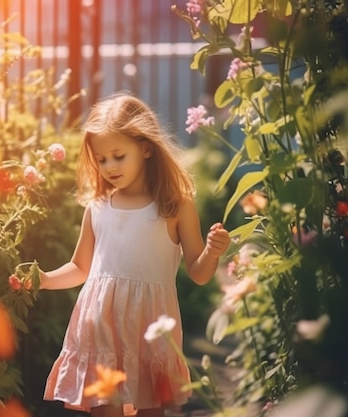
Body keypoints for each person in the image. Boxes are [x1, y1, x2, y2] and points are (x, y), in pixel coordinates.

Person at [40, 92, 231, 417]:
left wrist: (213, 253)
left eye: (118, 155)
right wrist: (42, 280)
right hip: (101, 329)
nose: (109, 166)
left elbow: (199, 273)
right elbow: (79, 267)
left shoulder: (175, 206)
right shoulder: (97, 207)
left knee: (151, 411)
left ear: (145, 147)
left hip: (150, 330)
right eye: (101, 159)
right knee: (105, 410)